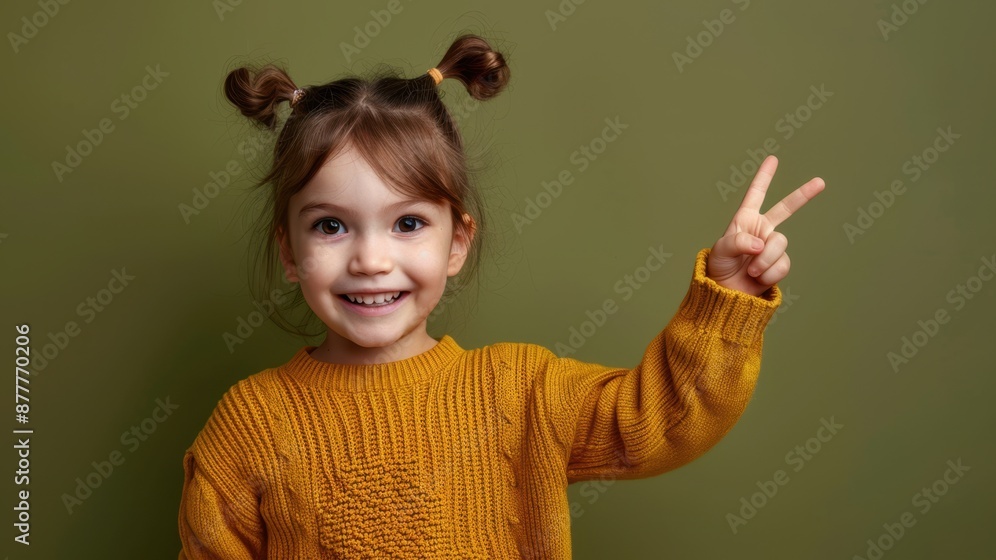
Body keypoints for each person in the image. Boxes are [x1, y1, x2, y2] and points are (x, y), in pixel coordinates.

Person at [176, 33, 824, 559]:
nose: (371, 260)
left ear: (456, 243)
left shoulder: (520, 391)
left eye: (407, 224)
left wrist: (727, 294)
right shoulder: (249, 425)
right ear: (290, 251)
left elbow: (658, 425)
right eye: (330, 225)